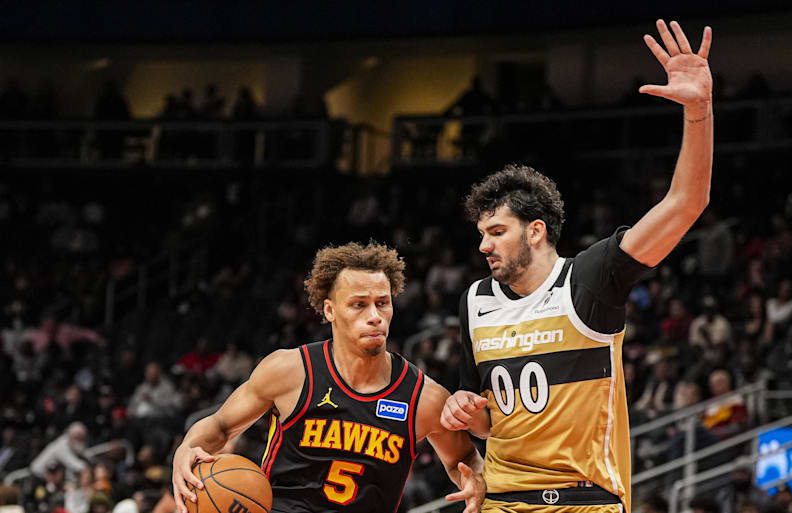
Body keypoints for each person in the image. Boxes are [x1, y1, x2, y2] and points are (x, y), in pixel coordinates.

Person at [442, 19, 714, 513]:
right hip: (502, 501)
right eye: (481, 234)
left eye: (497, 232)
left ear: (536, 231)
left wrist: (698, 111)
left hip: (584, 500)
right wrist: (463, 408)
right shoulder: (475, 301)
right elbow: (483, 417)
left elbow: (685, 203)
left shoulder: (590, 276)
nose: (483, 245)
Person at [172, 242, 485, 513]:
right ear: (330, 310)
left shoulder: (423, 396)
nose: (374, 316)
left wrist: (475, 480)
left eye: (382, 303)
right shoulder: (289, 371)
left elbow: (465, 458)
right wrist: (187, 449)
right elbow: (220, 426)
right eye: (359, 305)